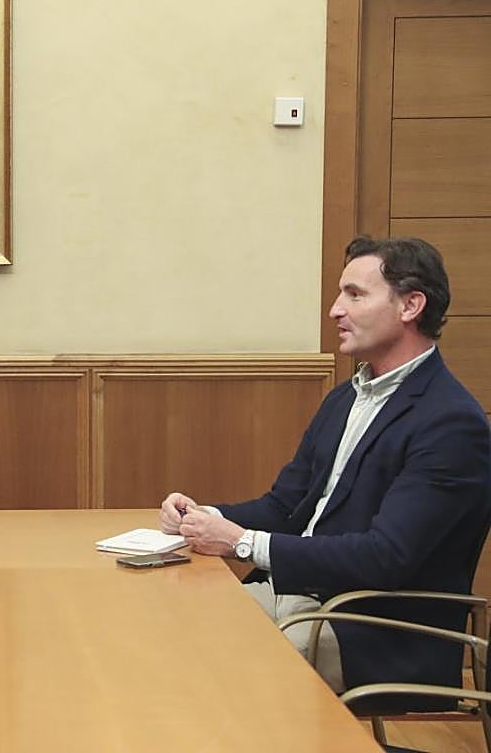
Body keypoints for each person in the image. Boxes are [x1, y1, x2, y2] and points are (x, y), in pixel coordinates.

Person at [159, 236, 491, 696]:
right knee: (168, 625)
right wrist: (203, 518)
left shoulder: (451, 422)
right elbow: (284, 507)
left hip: (374, 628)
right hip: (298, 595)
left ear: (411, 306)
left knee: (225, 670)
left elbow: (385, 557)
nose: (335, 310)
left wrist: (241, 543)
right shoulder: (344, 399)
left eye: (355, 294)